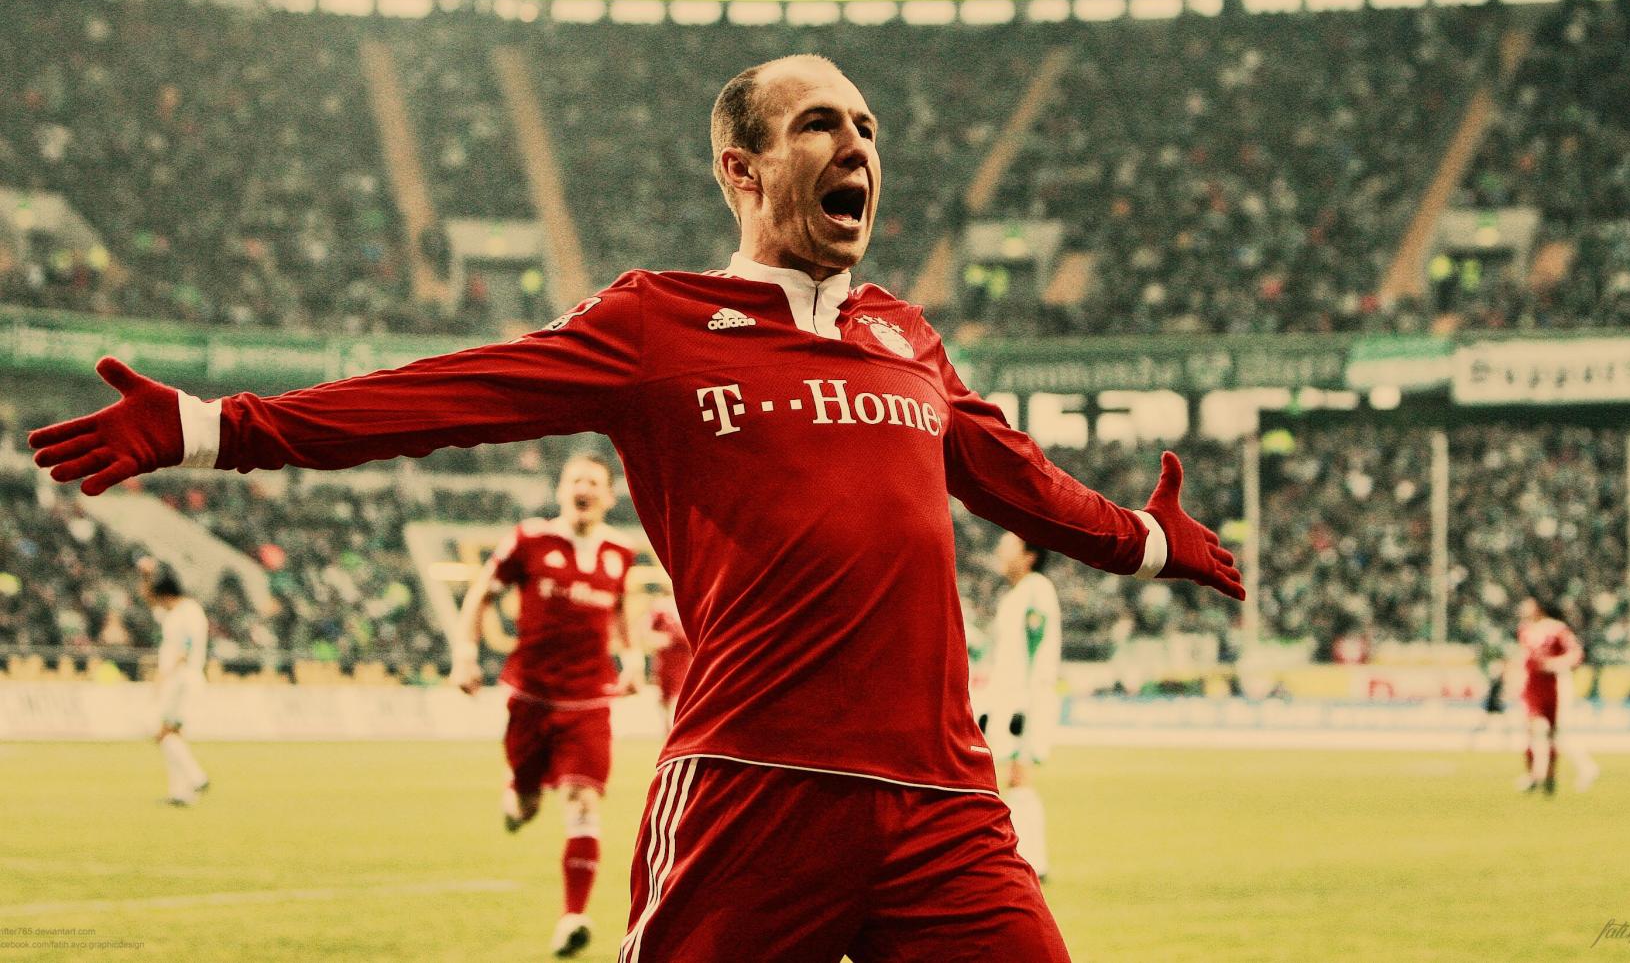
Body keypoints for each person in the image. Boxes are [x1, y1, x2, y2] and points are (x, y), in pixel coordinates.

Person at [30, 53, 1243, 962]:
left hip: (946, 804)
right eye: (820, 123)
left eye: (868, 127)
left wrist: (1144, 541)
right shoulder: (655, 324)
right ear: (740, 168)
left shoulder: (907, 338)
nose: (857, 144)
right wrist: (217, 427)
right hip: (752, 789)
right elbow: (450, 394)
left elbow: (1015, 476)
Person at [450, 452, 642, 958]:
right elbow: (481, 594)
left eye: (594, 482)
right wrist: (465, 654)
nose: (584, 488)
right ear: (561, 490)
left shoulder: (620, 552)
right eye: (576, 479)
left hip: (589, 700)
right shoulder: (529, 539)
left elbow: (622, 610)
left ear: (609, 496)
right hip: (531, 698)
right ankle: (517, 793)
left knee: (582, 801)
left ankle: (573, 917)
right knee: (526, 805)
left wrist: (632, 660)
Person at [980, 532, 1062, 881]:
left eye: (1009, 544)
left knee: (1019, 775)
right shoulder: (1016, 594)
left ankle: (1034, 862)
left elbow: (1034, 647)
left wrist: (1025, 703)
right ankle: (1024, 858)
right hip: (1012, 700)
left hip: (1026, 701)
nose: (1001, 550)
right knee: (1012, 777)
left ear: (1030, 555)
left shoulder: (1036, 590)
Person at [142, 558, 210, 806]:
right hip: (178, 678)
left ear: (167, 595)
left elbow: (187, 647)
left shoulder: (189, 611)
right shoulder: (174, 612)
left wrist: (165, 674)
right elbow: (150, 599)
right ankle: (180, 793)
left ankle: (197, 777)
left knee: (160, 732)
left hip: (182, 678)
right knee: (174, 734)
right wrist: (146, 576)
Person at [1514, 596, 1600, 794]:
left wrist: (1554, 664)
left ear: (1538, 607)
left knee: (1554, 733)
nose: (1523, 609)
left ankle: (1550, 775)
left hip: (1554, 685)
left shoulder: (1557, 629)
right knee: (1533, 729)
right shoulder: (1524, 630)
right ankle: (1534, 775)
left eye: (1528, 605)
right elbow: (1524, 657)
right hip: (1532, 686)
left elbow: (1576, 654)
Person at [643, 592, 691, 735]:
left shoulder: (687, 602)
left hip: (682, 660)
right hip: (663, 660)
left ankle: (675, 731)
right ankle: (669, 731)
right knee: (664, 698)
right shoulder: (660, 607)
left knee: (676, 698)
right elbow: (646, 632)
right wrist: (660, 639)